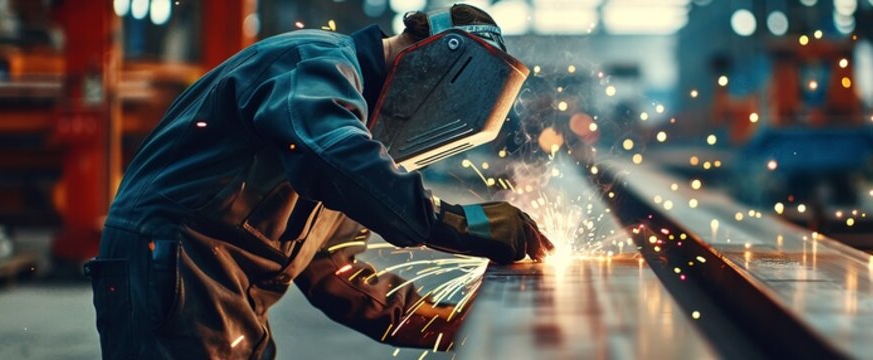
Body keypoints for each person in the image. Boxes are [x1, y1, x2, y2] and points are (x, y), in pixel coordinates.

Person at [86, 4, 552, 359]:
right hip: (171, 261)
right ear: (424, 56)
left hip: (221, 281)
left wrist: (457, 324)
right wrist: (454, 222)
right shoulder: (318, 64)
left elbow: (340, 275)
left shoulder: (353, 142)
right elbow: (337, 156)